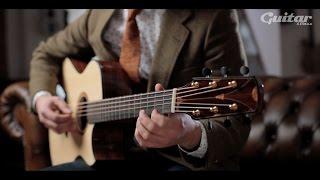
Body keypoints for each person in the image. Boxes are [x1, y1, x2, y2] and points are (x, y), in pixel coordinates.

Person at [29, 9, 250, 171]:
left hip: (180, 160)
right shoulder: (99, 15)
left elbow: (236, 119)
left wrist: (189, 133)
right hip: (107, 153)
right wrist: (42, 98)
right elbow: (46, 53)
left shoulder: (214, 17)